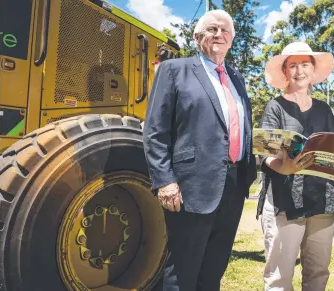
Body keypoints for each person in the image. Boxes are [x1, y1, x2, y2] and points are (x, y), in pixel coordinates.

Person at [143, 9, 257, 291]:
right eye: (212, 29)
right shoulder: (174, 70)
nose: (219, 34)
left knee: (214, 269)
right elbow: (155, 130)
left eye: (225, 31)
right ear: (197, 37)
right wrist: (165, 181)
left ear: (232, 39)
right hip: (190, 187)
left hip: (233, 185)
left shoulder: (237, 77)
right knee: (182, 271)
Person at [256, 41, 334, 291]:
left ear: (313, 69)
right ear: (285, 72)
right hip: (285, 201)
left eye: (305, 64)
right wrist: (283, 167)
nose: (299, 70)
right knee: (280, 277)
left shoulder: (324, 109)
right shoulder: (275, 107)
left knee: (317, 273)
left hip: (322, 200)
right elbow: (263, 153)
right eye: (292, 65)